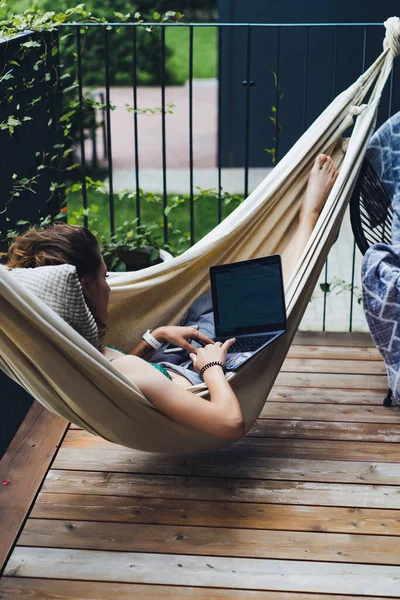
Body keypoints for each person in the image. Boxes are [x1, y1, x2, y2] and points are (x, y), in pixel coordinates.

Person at [5, 154, 338, 440]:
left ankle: (302, 231)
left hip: (174, 357)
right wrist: (211, 368)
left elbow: (122, 373)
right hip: (203, 372)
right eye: (105, 277)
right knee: (267, 300)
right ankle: (308, 219)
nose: (109, 285)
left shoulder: (69, 348)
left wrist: (156, 336)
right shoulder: (130, 372)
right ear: (87, 287)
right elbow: (231, 423)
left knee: (224, 300)